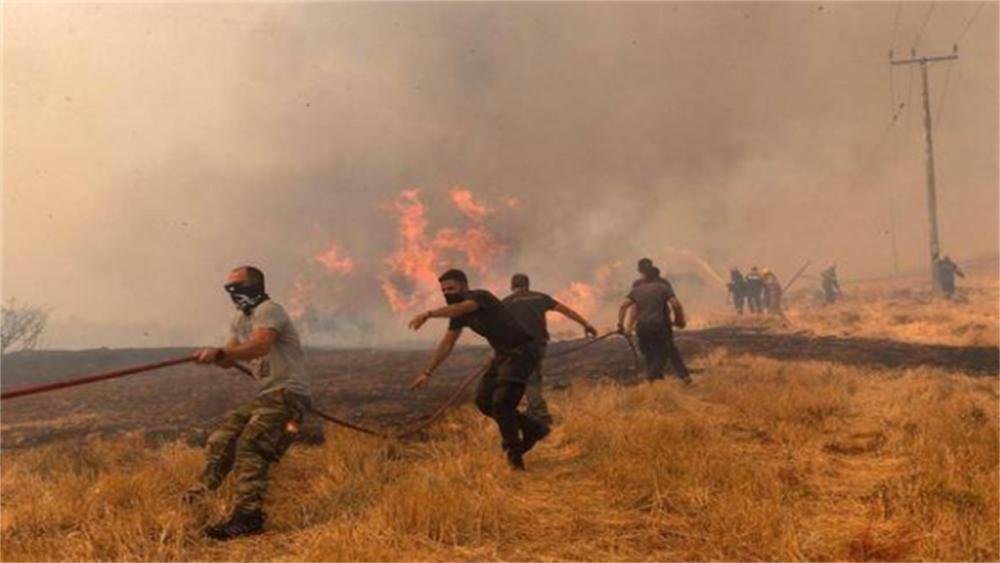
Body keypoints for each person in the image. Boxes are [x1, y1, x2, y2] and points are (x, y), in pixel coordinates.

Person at [186, 266, 312, 540]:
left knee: (251, 445)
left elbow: (260, 346)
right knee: (221, 439)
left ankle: (249, 517)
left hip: (288, 394)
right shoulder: (240, 319)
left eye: (237, 286)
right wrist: (215, 357)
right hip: (266, 395)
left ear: (254, 285)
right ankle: (200, 496)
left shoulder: (269, 310)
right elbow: (231, 358)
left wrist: (221, 352)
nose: (232, 292)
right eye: (228, 287)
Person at [408, 269, 550, 470]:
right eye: (444, 290)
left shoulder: (479, 297)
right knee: (483, 401)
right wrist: (427, 372)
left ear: (464, 286)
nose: (448, 293)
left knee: (502, 403)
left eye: (452, 288)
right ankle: (533, 428)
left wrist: (428, 314)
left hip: (523, 352)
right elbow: (447, 344)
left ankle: (514, 456)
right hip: (502, 355)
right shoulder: (458, 315)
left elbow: (463, 308)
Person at [502, 273, 598, 425]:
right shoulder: (541, 297)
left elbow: (499, 325)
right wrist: (586, 325)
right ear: (528, 284)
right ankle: (534, 409)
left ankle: (540, 413)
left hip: (520, 347)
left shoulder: (507, 302)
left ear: (512, 286)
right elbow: (567, 311)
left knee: (528, 378)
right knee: (532, 376)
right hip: (539, 345)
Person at [617, 266, 691, 383]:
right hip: (659, 326)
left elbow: (623, 307)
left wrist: (621, 325)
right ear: (658, 276)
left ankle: (656, 382)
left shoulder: (637, 289)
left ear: (644, 276)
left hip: (641, 327)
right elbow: (676, 304)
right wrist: (679, 320)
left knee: (648, 354)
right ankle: (652, 377)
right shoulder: (663, 287)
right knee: (664, 352)